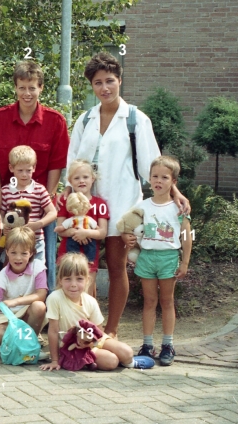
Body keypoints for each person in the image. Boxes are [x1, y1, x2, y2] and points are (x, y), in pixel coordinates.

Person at [66, 52, 190, 338]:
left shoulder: (136, 120)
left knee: (117, 266)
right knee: (86, 269)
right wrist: (69, 202)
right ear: (92, 86)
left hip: (122, 206)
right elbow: (72, 165)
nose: (105, 88)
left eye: (110, 81)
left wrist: (176, 192)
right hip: (86, 210)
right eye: (98, 83)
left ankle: (111, 329)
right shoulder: (84, 120)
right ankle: (89, 326)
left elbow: (154, 166)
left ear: (120, 81)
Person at [0, 60, 70, 291]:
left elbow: (57, 164)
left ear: (41, 87)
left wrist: (48, 199)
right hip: (4, 203)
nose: (27, 93)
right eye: (22, 87)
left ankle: (43, 314)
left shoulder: (55, 121)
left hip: (38, 205)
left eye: (32, 87)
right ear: (15, 88)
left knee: (43, 262)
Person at [125, 156, 192, 366]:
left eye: (164, 177)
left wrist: (185, 263)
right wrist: (127, 239)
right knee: (149, 302)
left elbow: (188, 237)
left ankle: (168, 344)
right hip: (147, 257)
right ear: (149, 180)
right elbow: (129, 229)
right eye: (155, 176)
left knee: (167, 301)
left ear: (173, 182)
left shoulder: (179, 208)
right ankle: (147, 344)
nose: (159, 181)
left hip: (169, 258)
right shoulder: (142, 206)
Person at [40, 253, 154, 371]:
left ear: (87, 280)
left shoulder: (90, 301)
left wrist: (90, 342)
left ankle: (129, 363)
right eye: (68, 279)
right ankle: (85, 360)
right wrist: (54, 360)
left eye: (79, 279)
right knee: (111, 362)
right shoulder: (55, 298)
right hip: (70, 346)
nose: (73, 284)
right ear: (60, 280)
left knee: (127, 352)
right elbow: (53, 331)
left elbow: (98, 332)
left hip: (90, 340)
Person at [0, 227, 48, 360]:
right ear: (7, 252)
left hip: (26, 312)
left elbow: (41, 295)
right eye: (13, 252)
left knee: (39, 306)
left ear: (31, 253)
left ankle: (30, 346)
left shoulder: (38, 267)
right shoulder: (0, 280)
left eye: (24, 253)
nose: (18, 258)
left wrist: (15, 301)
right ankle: (19, 348)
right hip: (6, 317)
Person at [0, 146, 57, 269]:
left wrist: (39, 224)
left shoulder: (39, 189)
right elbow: (1, 214)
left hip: (35, 241)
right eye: (20, 170)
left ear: (34, 168)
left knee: (37, 274)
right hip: (13, 242)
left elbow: (53, 212)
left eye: (28, 170)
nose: (24, 175)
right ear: (11, 168)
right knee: (11, 274)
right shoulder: (6, 190)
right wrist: (3, 227)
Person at [55, 159, 109, 297]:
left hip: (89, 256)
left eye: (85, 177)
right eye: (77, 178)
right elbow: (59, 228)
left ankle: (86, 319)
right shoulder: (66, 202)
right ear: (70, 181)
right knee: (63, 292)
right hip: (67, 254)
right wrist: (74, 232)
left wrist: (86, 233)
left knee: (86, 293)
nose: (81, 181)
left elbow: (102, 232)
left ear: (93, 178)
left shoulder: (99, 203)